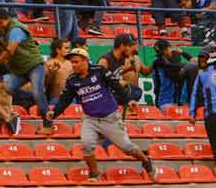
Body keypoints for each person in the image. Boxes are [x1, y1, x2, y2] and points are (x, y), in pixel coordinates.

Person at [48, 48, 154, 180]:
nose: (73, 65)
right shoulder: (72, 80)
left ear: (85, 61)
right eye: (72, 62)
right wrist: (54, 112)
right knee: (87, 145)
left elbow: (116, 86)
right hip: (90, 119)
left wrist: (129, 100)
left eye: (76, 62)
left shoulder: (99, 71)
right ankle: (94, 174)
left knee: (127, 148)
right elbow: (65, 100)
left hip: (110, 118)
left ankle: (146, 161)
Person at [0, 8, 51, 135]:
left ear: (7, 19)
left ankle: (48, 125)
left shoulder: (16, 29)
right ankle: (11, 114)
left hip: (34, 65)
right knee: (7, 89)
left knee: (38, 94)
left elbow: (9, 51)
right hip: (19, 68)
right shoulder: (3, 31)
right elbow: (4, 47)